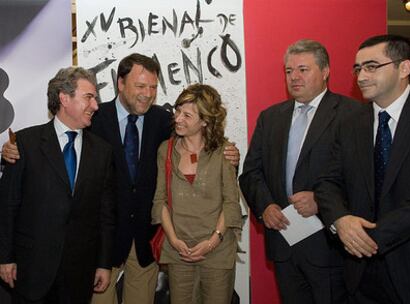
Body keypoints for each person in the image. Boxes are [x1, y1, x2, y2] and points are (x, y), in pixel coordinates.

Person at [1, 53, 240, 304]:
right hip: (101, 245)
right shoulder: (93, 118)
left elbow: (199, 141)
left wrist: (231, 154)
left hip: (144, 241)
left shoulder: (163, 120)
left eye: (152, 87)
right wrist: (7, 154)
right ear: (121, 83)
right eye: (140, 86)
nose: (147, 94)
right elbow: (48, 155)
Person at [239, 39, 359, 304]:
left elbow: (363, 179)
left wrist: (321, 200)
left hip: (329, 246)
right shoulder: (270, 118)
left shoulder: (352, 114)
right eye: (288, 71)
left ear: (325, 71)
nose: (294, 77)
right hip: (284, 243)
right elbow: (251, 173)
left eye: (303, 70)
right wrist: (265, 206)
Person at [0, 67, 116, 304]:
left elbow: (105, 214)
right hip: (31, 270)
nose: (95, 105)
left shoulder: (102, 152)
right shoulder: (25, 143)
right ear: (64, 98)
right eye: (89, 97)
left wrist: (104, 263)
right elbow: (8, 206)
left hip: (79, 274)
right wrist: (5, 257)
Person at [315, 35, 410, 304]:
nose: (361, 76)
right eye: (358, 68)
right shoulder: (350, 123)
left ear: (404, 68)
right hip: (358, 276)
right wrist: (341, 221)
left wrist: (368, 237)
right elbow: (326, 182)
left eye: (371, 66)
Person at [151, 84, 242, 304]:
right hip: (178, 251)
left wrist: (212, 242)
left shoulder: (224, 151)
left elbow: (231, 203)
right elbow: (159, 200)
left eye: (187, 115)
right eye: (178, 111)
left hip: (217, 250)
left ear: (205, 121)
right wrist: (173, 239)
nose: (178, 118)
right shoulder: (166, 149)